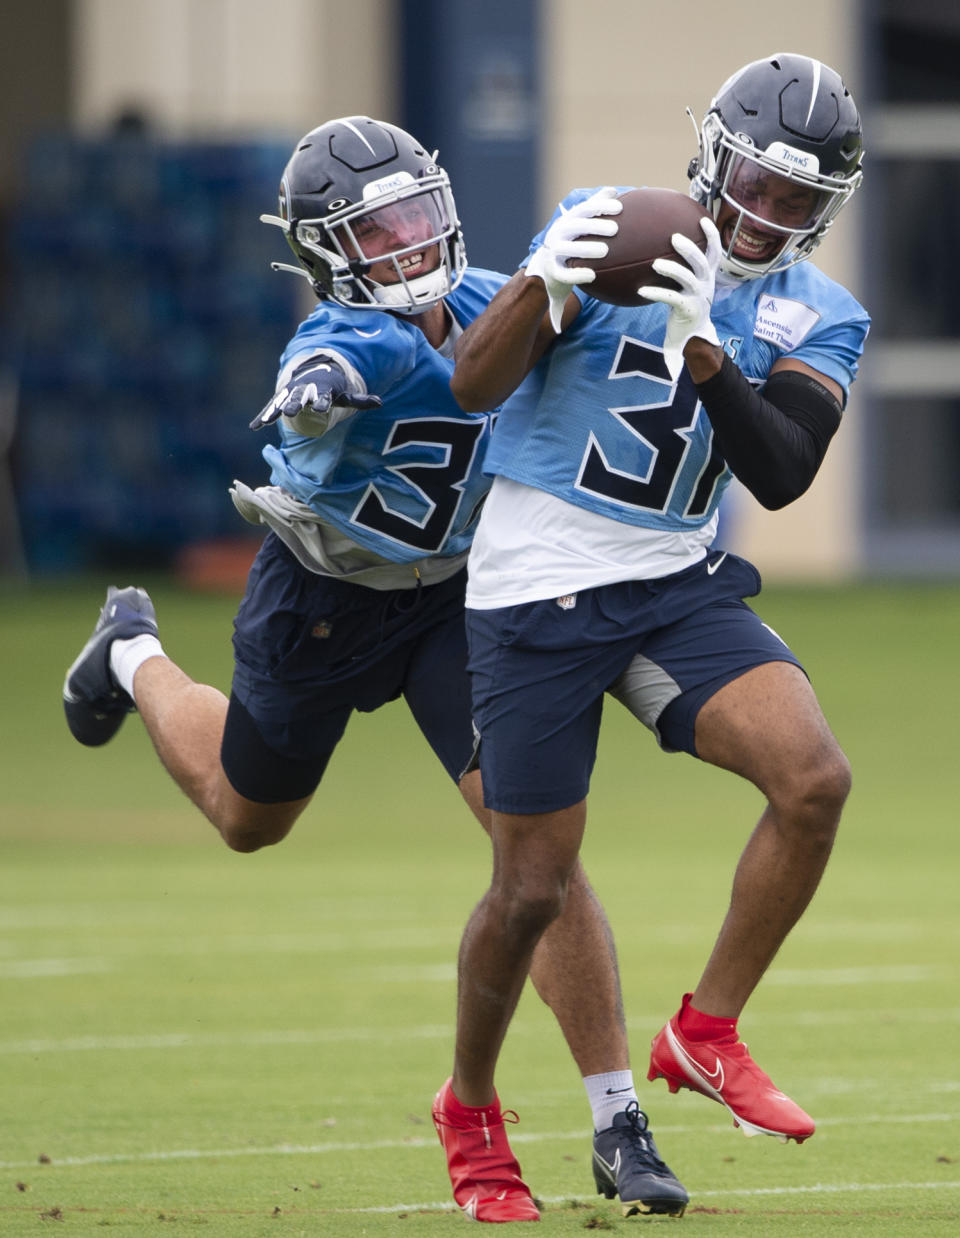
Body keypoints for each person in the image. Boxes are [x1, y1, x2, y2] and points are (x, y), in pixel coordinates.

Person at [61, 117, 688, 1221]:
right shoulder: (352, 336)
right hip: (323, 601)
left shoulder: (500, 296)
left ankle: (615, 1115)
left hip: (458, 601)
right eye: (375, 232)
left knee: (534, 843)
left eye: (412, 219)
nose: (405, 247)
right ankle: (134, 647)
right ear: (328, 254)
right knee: (247, 814)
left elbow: (575, 334)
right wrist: (312, 390)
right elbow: (330, 360)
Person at [433, 52, 869, 1219]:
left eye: (798, 199)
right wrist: (538, 285)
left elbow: (779, 471)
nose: (769, 215)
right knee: (531, 889)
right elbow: (474, 386)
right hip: (536, 585)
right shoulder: (606, 225)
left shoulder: (822, 312)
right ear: (711, 158)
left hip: (674, 581)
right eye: (757, 185)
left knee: (813, 776)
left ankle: (706, 1029)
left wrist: (706, 345)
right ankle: (470, 1100)